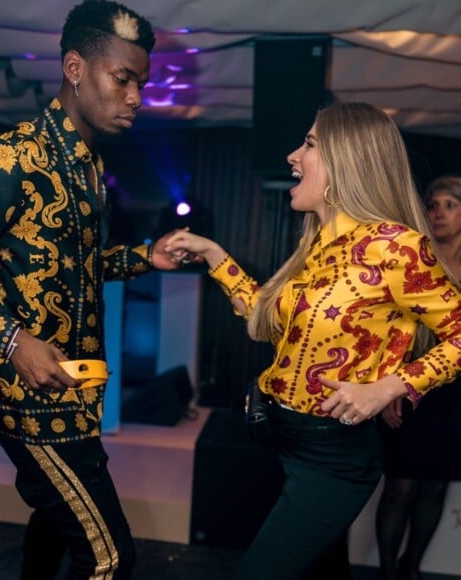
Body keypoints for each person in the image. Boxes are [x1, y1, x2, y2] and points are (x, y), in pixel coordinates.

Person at [0, 2, 186, 578]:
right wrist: (9, 339)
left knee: (53, 529)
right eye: (122, 79)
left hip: (77, 390)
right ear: (75, 68)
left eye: (141, 85)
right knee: (108, 558)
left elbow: (74, 267)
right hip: (30, 402)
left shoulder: (87, 166)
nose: (135, 98)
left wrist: (146, 256)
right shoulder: (12, 157)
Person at [163, 102, 461, 580]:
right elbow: (269, 321)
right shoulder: (319, 242)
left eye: (308, 143)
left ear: (347, 158)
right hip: (285, 439)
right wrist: (214, 255)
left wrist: (389, 387)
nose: (291, 155)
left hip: (334, 456)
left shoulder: (397, 246)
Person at [375, 175, 461, 580]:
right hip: (410, 384)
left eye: (451, 204)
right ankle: (388, 574)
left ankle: (411, 570)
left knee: (435, 488)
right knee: (400, 487)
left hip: (456, 393)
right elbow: (394, 326)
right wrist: (389, 388)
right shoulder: (417, 258)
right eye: (433, 204)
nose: (439, 212)